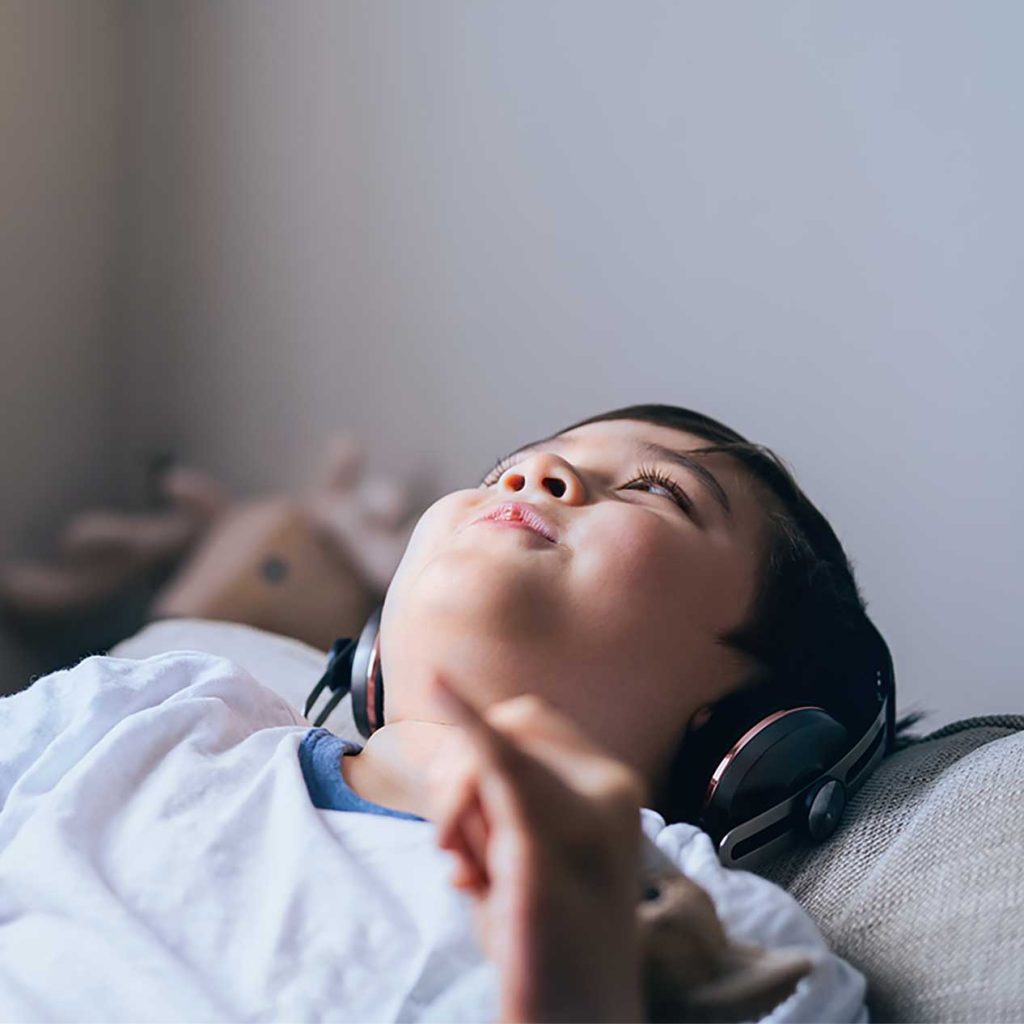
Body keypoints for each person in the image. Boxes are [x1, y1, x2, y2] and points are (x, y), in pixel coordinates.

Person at [0, 403, 896, 1022]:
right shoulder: (145, 714)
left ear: (753, 733)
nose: (536, 472)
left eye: (656, 491)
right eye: (508, 468)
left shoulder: (711, 931)